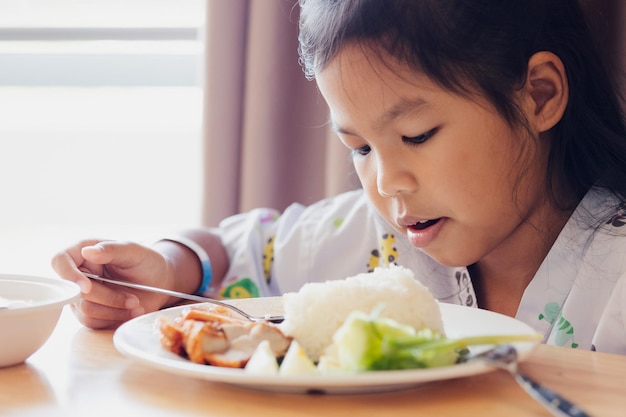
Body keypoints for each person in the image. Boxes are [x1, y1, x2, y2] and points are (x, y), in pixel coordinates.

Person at [52, 0, 626, 354]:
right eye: (359, 147)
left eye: (419, 135)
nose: (387, 182)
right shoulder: (378, 241)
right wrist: (167, 266)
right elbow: (236, 248)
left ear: (539, 95)